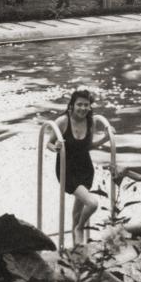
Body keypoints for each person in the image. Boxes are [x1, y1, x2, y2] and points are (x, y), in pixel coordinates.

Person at [45, 89, 111, 245]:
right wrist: (55, 148)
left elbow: (88, 146)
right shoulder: (63, 121)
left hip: (86, 170)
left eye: (86, 105)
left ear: (90, 107)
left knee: (77, 212)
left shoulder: (91, 122)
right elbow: (49, 143)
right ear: (72, 106)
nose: (82, 108)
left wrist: (107, 138)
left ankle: (77, 249)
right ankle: (80, 228)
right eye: (79, 104)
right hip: (67, 171)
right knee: (92, 203)